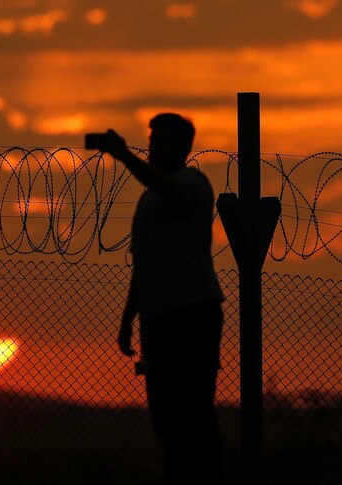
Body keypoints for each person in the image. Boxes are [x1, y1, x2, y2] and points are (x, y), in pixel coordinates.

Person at [89, 113, 225, 484]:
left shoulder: (193, 183)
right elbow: (144, 263)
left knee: (194, 414)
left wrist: (122, 156)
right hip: (158, 319)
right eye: (153, 140)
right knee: (165, 420)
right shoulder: (149, 200)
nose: (154, 147)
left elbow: (169, 189)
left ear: (184, 147)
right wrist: (127, 319)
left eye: (164, 140)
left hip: (192, 313)